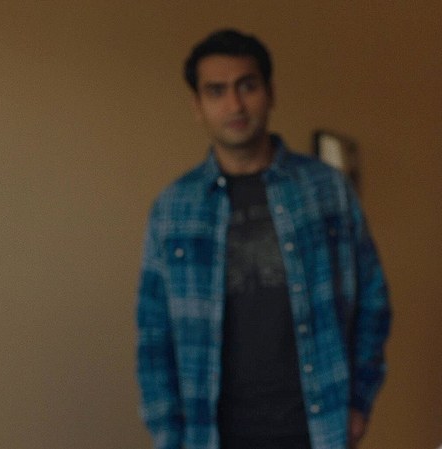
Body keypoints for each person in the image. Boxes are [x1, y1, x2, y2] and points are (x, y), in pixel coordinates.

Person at [136, 29, 391, 449]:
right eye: (216, 91)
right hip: (212, 435)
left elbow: (373, 301)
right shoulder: (173, 207)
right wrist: (169, 435)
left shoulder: (326, 189)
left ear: (270, 93)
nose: (235, 104)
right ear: (197, 106)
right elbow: (153, 336)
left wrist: (359, 401)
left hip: (317, 429)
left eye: (247, 86)